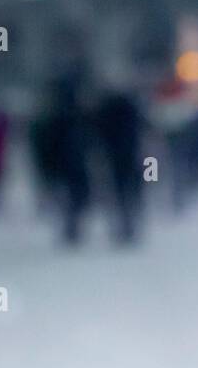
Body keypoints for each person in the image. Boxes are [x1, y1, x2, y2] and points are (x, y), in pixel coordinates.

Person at [34, 77, 92, 245]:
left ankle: (71, 226)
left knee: (69, 198)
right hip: (73, 165)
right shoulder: (77, 116)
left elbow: (46, 144)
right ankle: (72, 226)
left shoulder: (56, 118)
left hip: (67, 165)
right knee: (74, 198)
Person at [94, 85, 145, 245]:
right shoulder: (132, 109)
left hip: (116, 157)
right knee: (132, 191)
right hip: (132, 156)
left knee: (119, 192)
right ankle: (129, 224)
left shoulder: (106, 110)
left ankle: (125, 225)